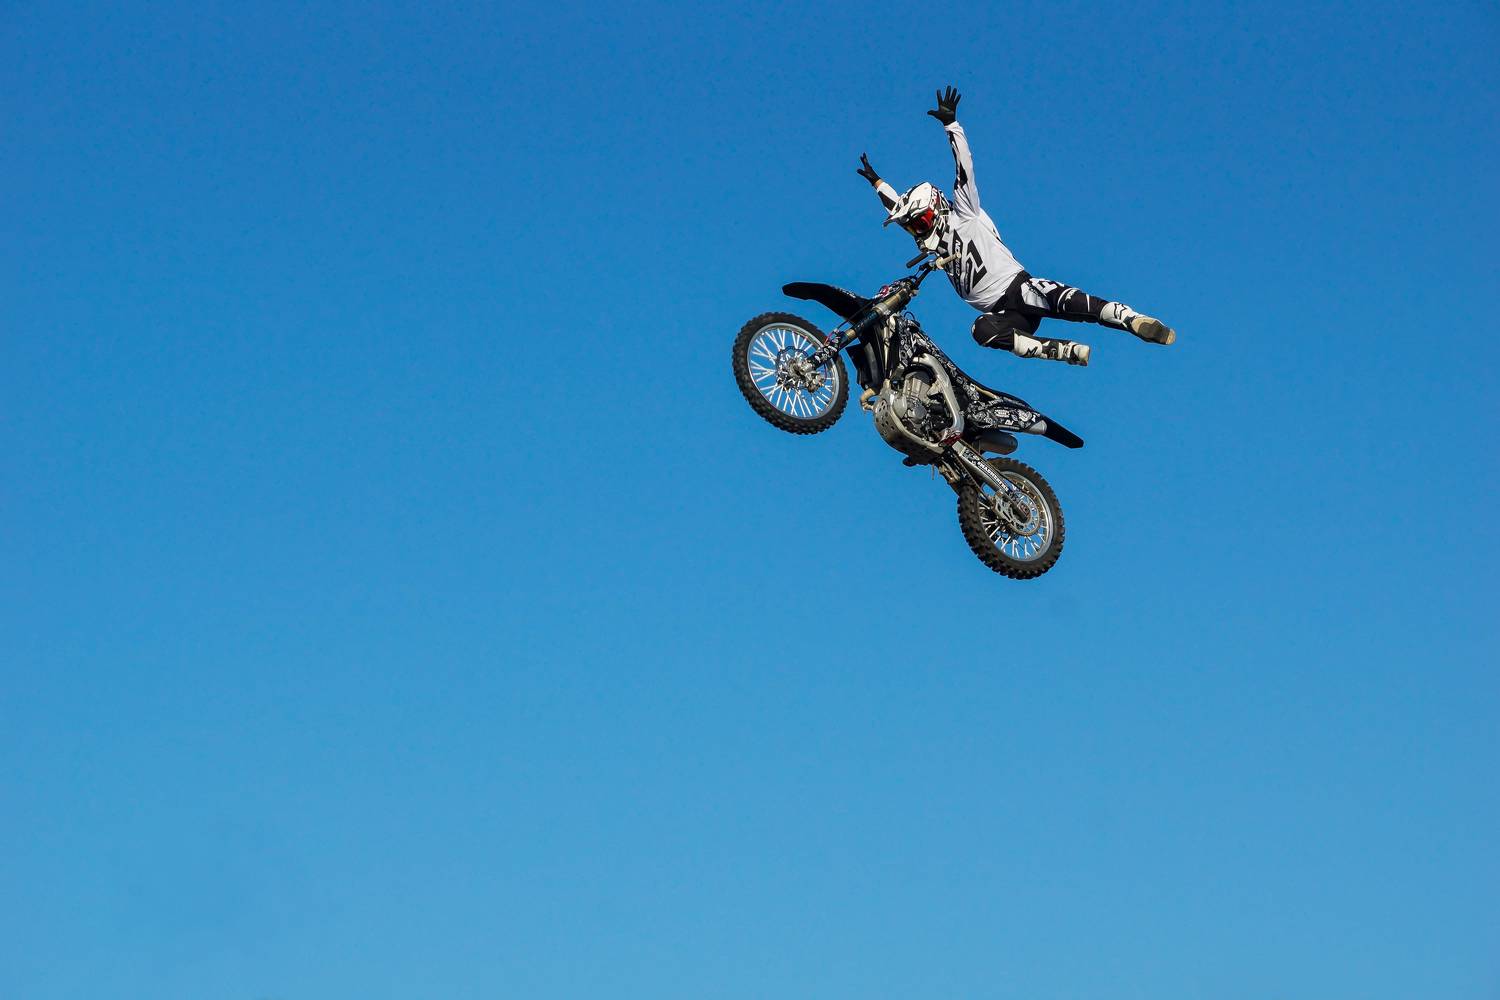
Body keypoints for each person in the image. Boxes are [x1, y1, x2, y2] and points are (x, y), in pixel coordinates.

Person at [857, 87, 1176, 367]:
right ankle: (1058, 350)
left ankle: (1130, 318)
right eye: (913, 227)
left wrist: (952, 126)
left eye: (921, 222)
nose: (918, 231)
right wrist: (877, 183)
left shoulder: (964, 213)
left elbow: (964, 170)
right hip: (1003, 316)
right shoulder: (935, 242)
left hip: (1020, 289)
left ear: (937, 206)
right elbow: (896, 207)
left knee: (1074, 303)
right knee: (980, 331)